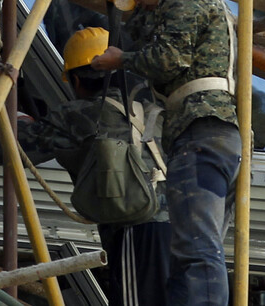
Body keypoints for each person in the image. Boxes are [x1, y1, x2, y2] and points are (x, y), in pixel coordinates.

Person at [89, 0, 238, 306]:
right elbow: (150, 38)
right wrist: (128, 10)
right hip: (206, 135)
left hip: (201, 132)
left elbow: (168, 59)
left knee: (196, 251)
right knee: (189, 254)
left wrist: (120, 59)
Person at [13, 27, 170, 306]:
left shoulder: (79, 113)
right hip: (182, 227)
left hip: (138, 232)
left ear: (76, 79)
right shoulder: (151, 109)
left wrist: (21, 121)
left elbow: (12, 150)